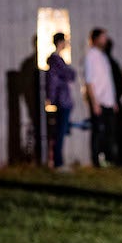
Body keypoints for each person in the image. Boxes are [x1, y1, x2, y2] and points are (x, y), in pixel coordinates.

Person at [84, 28, 116, 167]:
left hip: (108, 101)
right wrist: (94, 102)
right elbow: (89, 81)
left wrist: (113, 100)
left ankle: (109, 158)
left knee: (109, 131)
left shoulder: (104, 56)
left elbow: (108, 81)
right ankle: (97, 160)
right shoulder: (91, 56)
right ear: (95, 39)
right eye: (103, 37)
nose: (105, 40)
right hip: (99, 101)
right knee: (98, 132)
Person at [44, 32, 75, 169]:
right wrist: (50, 97)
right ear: (60, 42)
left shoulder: (57, 61)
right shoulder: (56, 61)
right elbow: (54, 81)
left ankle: (58, 161)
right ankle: (58, 162)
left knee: (61, 131)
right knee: (60, 132)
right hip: (62, 100)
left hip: (63, 99)